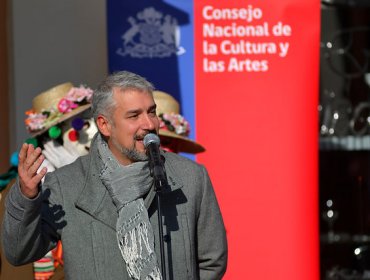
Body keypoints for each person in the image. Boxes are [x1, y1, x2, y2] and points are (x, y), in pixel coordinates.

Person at [1, 71, 228, 280]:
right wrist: (26, 197)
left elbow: (211, 261)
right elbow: (19, 253)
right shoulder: (66, 184)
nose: (148, 124)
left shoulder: (191, 177)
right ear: (104, 125)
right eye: (133, 116)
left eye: (151, 111)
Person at [0, 82, 97, 280]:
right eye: (82, 125)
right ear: (52, 139)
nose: (93, 135)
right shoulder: (15, 193)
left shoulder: (99, 182)